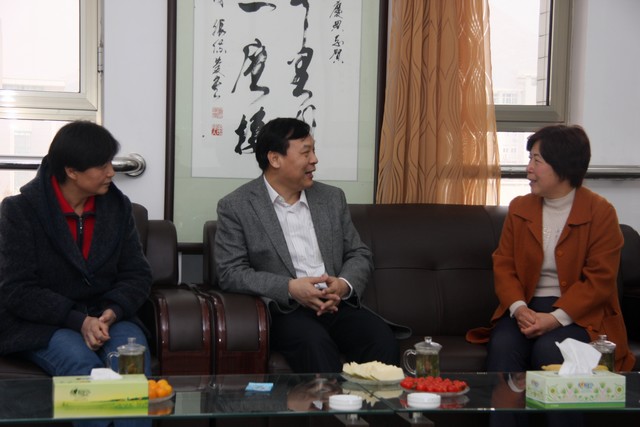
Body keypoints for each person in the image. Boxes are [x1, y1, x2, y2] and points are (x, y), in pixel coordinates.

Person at [467, 124, 635, 426]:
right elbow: (504, 265)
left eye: (537, 160)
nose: (528, 168)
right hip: (525, 309)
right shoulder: (520, 208)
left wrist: (556, 318)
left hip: (580, 315)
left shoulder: (601, 213)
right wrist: (519, 309)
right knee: (503, 344)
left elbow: (599, 280)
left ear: (562, 165)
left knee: (551, 348)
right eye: (530, 159)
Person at [214, 117, 400, 373]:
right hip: (287, 310)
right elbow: (230, 272)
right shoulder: (237, 206)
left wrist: (343, 285)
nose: (315, 160)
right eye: (306, 152)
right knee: (314, 344)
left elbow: (358, 253)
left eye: (314, 150)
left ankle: (372, 401)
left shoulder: (331, 198)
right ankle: (334, 402)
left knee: (380, 338)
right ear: (275, 159)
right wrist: (290, 288)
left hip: (334, 304)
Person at [0, 121, 152, 427]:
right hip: (44, 323)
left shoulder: (118, 208)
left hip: (108, 315)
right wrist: (77, 320)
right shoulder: (19, 211)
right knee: (83, 367)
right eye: (102, 165)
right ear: (71, 171)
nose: (111, 172)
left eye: (111, 162)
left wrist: (113, 310)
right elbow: (17, 288)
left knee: (130, 364)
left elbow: (137, 274)